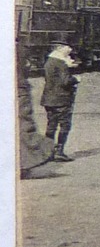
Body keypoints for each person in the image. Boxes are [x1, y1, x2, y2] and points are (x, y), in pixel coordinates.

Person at [17, 48, 56, 177]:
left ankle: (24, 162)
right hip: (17, 88)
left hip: (16, 87)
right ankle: (27, 161)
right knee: (22, 125)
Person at [41, 41, 80, 162]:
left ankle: (48, 152)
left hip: (49, 99)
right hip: (62, 99)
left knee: (51, 125)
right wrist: (76, 79)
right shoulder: (61, 63)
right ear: (60, 48)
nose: (70, 49)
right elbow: (65, 81)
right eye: (68, 47)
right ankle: (59, 151)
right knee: (65, 125)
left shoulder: (50, 61)